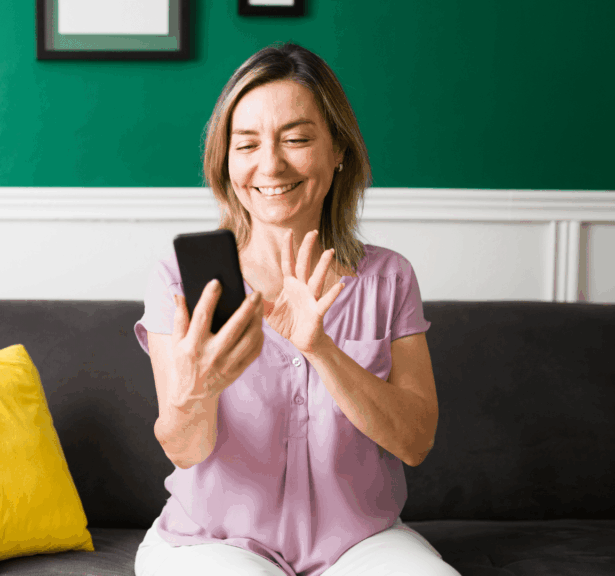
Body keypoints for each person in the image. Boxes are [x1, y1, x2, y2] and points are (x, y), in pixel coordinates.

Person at [132, 43, 461, 576]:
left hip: (359, 542)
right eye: (247, 144)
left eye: (297, 139)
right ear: (225, 161)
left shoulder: (389, 277)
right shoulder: (181, 279)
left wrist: (320, 349)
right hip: (214, 543)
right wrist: (199, 387)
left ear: (338, 151)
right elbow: (184, 451)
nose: (270, 165)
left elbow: (416, 442)